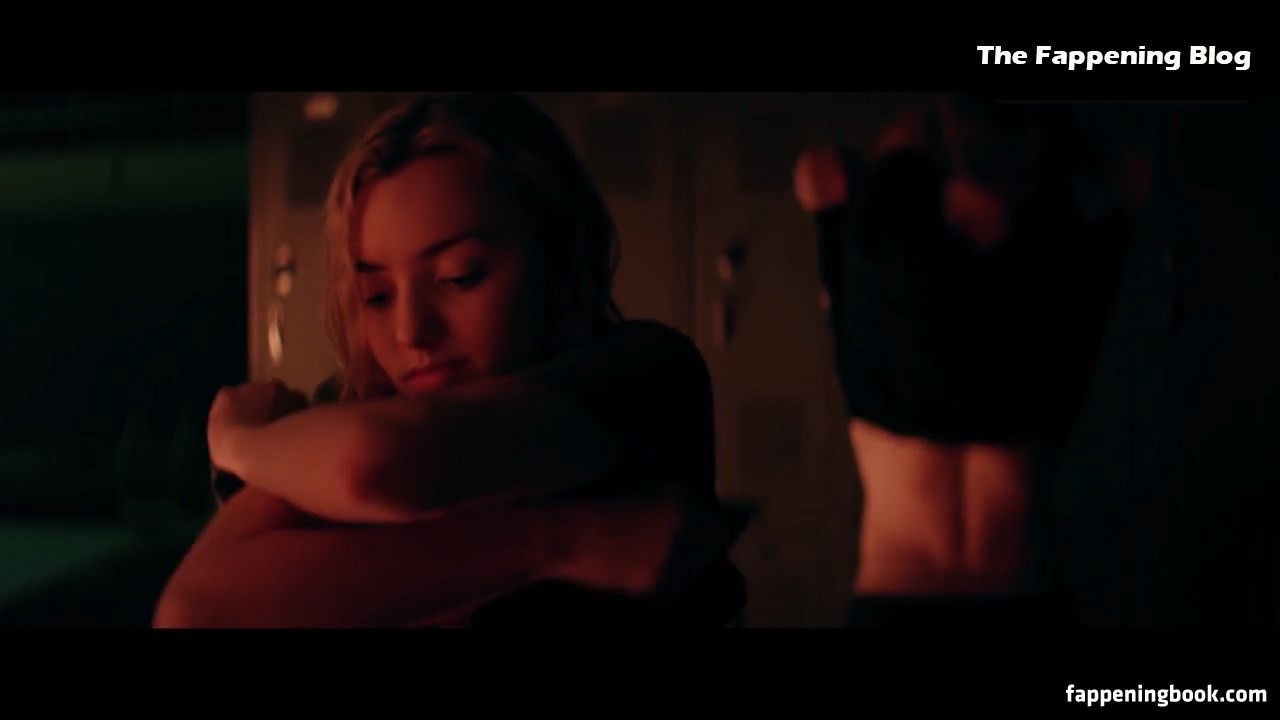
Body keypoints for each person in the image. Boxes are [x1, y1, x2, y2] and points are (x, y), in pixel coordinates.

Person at [154, 92, 748, 628]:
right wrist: (555, 542)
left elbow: (373, 465)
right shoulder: (359, 402)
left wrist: (238, 440)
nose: (411, 331)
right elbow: (198, 610)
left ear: (558, 260)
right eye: (377, 295)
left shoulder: (639, 373)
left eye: (460, 276)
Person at [793, 95, 1136, 628]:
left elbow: (840, 166)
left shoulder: (884, 246)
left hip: (907, 599)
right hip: (1020, 594)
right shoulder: (1060, 261)